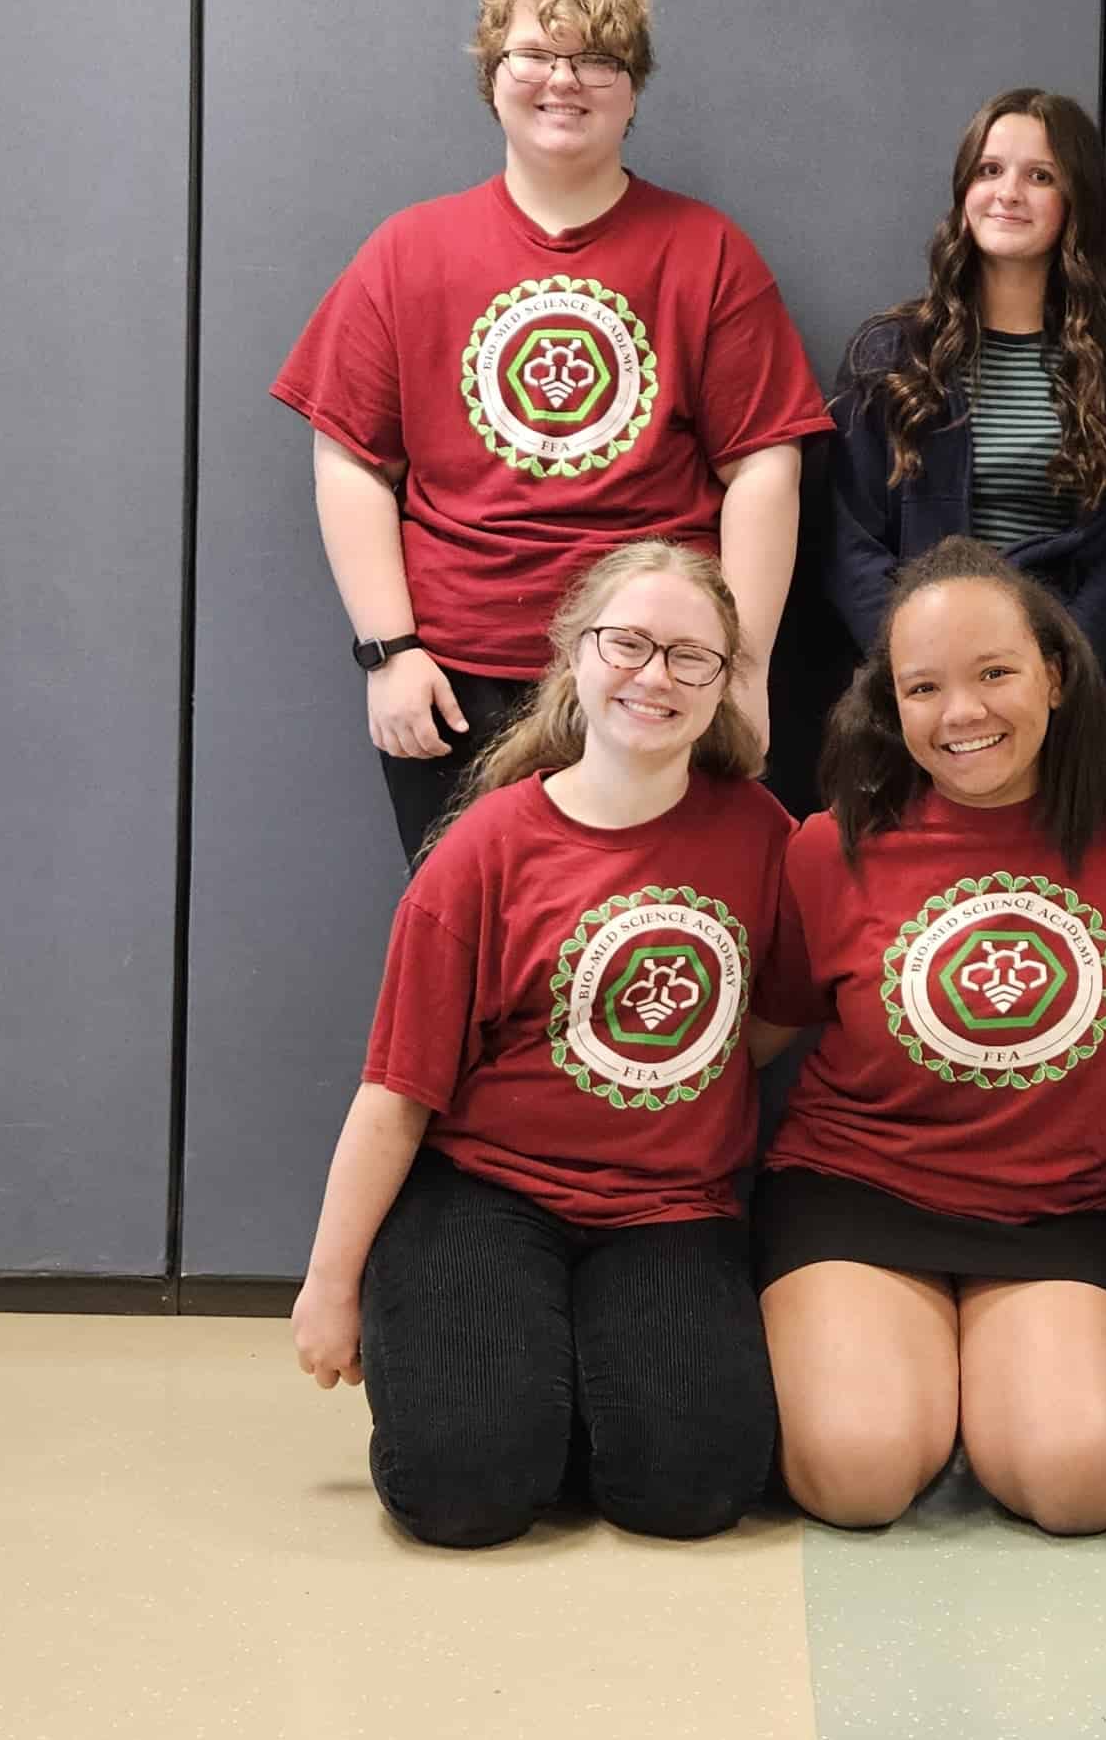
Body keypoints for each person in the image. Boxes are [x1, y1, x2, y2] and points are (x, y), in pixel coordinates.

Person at [274, 0, 830, 862]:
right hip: (459, 681)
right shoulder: (407, 252)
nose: (563, 82)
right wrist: (389, 652)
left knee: (647, 943)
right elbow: (349, 458)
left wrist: (742, 669)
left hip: (655, 676)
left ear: (634, 91)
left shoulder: (709, 253)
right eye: (534, 55)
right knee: (471, 948)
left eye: (597, 61)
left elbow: (766, 465)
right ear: (492, 77)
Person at [288, 540, 790, 1547]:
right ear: (573, 655)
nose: (654, 676)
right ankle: (494, 1379)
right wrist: (330, 1285)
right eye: (628, 643)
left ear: (725, 683)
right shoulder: (486, 847)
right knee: (463, 1495)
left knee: (689, 1494)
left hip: (668, 1205)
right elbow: (396, 1094)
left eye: (691, 656)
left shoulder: (766, 835)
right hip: (485, 1189)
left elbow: (774, 1016)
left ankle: (556, 1383)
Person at [754, 537, 1106, 1537]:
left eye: (994, 672)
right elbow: (764, 1031)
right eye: (923, 687)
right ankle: (916, 1383)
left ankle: (983, 1386)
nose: (961, 713)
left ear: (1054, 674)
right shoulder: (828, 847)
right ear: (892, 703)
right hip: (856, 1191)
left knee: (1080, 1484)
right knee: (856, 1475)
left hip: (1061, 1208)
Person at [822, 89, 1106, 679]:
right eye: (989, 170)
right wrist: (917, 668)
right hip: (910, 679)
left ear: (1075, 201)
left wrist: (1051, 680)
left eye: (1040, 175)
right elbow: (847, 541)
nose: (1008, 193)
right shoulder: (888, 355)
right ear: (964, 192)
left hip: (1063, 680)